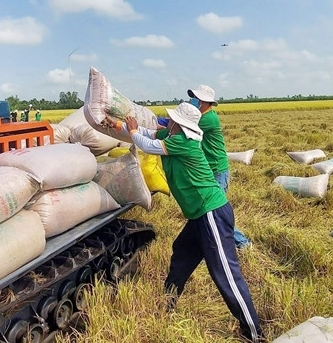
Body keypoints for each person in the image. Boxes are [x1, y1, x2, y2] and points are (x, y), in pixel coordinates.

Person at [109, 103, 263, 342]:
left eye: (171, 119)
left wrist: (131, 132)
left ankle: (255, 334)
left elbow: (146, 143)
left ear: (179, 124)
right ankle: (166, 303)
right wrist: (118, 125)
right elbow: (148, 134)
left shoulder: (184, 142)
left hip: (211, 212)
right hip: (199, 215)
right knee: (181, 251)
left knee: (225, 274)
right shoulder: (172, 135)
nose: (167, 121)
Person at [188, 85, 250, 249]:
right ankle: (207, 243)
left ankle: (242, 243)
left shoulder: (207, 119)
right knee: (208, 211)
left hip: (217, 170)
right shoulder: (202, 116)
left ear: (204, 102)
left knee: (216, 212)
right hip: (210, 169)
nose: (192, 101)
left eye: (196, 98)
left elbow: (182, 128)